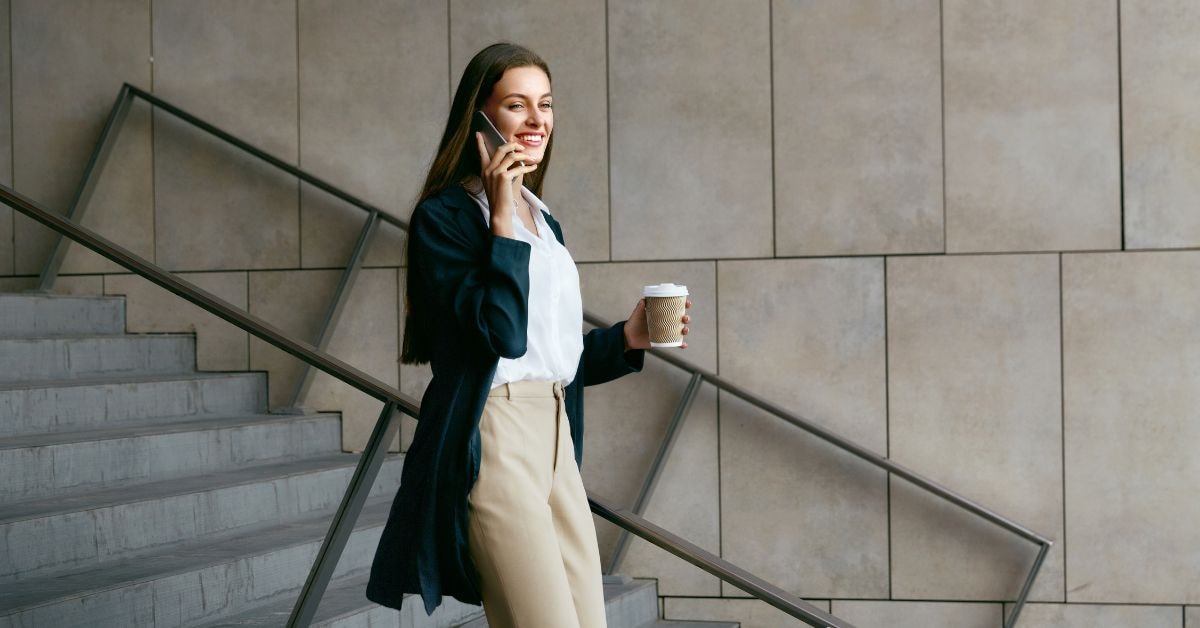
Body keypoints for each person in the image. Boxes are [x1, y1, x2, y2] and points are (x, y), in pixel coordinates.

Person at [365, 43, 692, 628]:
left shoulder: (543, 220)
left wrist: (629, 337)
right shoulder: (446, 218)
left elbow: (554, 360)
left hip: (557, 437)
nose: (538, 121)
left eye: (546, 105)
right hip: (493, 438)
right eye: (518, 105)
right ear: (482, 118)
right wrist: (500, 220)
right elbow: (503, 338)